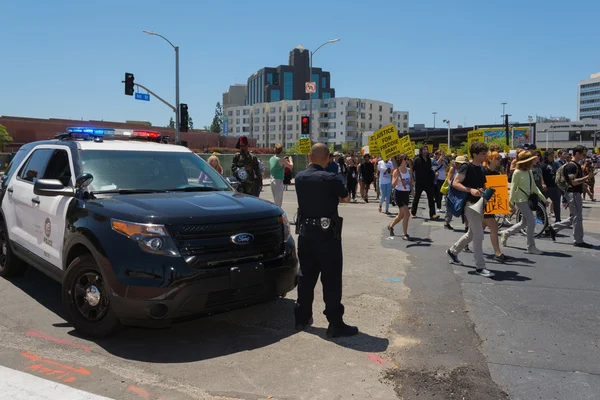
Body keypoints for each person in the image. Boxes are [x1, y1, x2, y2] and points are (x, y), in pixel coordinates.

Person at [294, 143, 358, 338]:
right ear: (328, 158)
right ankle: (335, 323)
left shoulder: (299, 177)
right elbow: (345, 199)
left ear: (309, 157)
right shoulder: (331, 178)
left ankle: (302, 318)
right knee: (331, 279)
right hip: (327, 235)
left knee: (306, 277)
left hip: (305, 233)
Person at [446, 141, 494, 278]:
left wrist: (483, 191)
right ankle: (480, 266)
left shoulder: (481, 168)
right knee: (479, 235)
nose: (486, 156)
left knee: (472, 233)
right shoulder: (466, 167)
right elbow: (455, 183)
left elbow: (481, 185)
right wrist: (470, 190)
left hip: (478, 203)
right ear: (475, 154)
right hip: (469, 204)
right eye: (483, 154)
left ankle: (453, 251)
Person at [546, 145, 595, 248]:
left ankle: (553, 228)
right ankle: (578, 240)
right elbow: (573, 182)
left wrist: (587, 189)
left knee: (574, 217)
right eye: (583, 154)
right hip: (572, 193)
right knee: (577, 217)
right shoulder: (571, 166)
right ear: (577, 153)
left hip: (575, 193)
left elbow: (578, 182)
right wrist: (587, 177)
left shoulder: (576, 165)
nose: (585, 157)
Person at [500, 151, 548, 254]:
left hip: (528, 199)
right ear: (527, 161)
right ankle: (531, 247)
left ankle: (506, 233)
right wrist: (510, 203)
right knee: (531, 221)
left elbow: (534, 187)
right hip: (520, 200)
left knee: (524, 222)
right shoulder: (517, 172)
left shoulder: (529, 171)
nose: (534, 160)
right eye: (531, 159)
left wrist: (544, 199)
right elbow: (513, 188)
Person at [484, 152, 509, 262]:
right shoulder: (483, 171)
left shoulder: (496, 172)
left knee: (476, 231)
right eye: (497, 158)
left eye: (500, 158)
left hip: (491, 203)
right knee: (493, 227)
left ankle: (456, 248)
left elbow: (500, 190)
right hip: (484, 203)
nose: (499, 160)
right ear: (490, 159)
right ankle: (498, 253)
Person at [411, 146, 440, 220]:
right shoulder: (417, 159)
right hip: (419, 182)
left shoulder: (429, 160)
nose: (426, 151)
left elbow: (430, 169)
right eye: (424, 149)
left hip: (428, 182)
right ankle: (413, 213)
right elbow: (412, 169)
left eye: (426, 149)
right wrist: (412, 179)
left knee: (431, 199)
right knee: (416, 198)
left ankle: (432, 214)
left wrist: (434, 173)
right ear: (421, 151)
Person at [388, 154, 412, 240]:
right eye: (406, 159)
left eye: (408, 159)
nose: (407, 160)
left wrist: (412, 190)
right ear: (401, 160)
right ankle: (404, 233)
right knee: (407, 214)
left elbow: (410, 182)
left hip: (406, 194)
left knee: (401, 215)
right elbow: (393, 185)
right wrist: (397, 176)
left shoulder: (408, 170)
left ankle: (391, 226)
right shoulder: (396, 171)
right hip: (399, 194)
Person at [444, 155, 468, 230]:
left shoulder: (466, 170)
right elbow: (449, 179)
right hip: (452, 191)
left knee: (464, 208)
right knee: (450, 207)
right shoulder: (453, 168)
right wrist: (453, 184)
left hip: (462, 191)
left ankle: (467, 226)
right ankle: (447, 222)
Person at [541, 152, 562, 222]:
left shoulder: (555, 164)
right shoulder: (542, 165)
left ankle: (558, 219)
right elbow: (540, 175)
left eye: (553, 156)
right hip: (546, 187)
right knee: (542, 204)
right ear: (546, 156)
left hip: (555, 187)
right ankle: (543, 219)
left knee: (557, 204)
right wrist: (543, 183)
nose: (552, 157)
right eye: (551, 156)